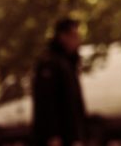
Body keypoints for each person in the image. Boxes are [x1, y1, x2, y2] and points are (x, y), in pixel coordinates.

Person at [32, 17, 87, 146]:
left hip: (70, 136)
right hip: (58, 138)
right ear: (62, 36)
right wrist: (52, 135)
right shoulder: (50, 64)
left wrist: (78, 135)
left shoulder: (68, 64)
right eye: (74, 36)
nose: (77, 41)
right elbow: (46, 102)